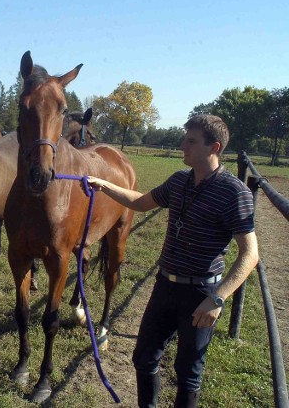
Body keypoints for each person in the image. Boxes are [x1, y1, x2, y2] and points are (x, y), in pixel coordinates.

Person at [86, 114, 259, 408]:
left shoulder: (234, 193)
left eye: (191, 141)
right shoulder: (180, 181)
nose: (182, 146)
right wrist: (103, 184)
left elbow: (250, 254)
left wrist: (217, 299)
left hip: (201, 294)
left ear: (214, 147)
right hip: (165, 284)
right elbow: (141, 202)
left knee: (188, 372)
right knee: (143, 357)